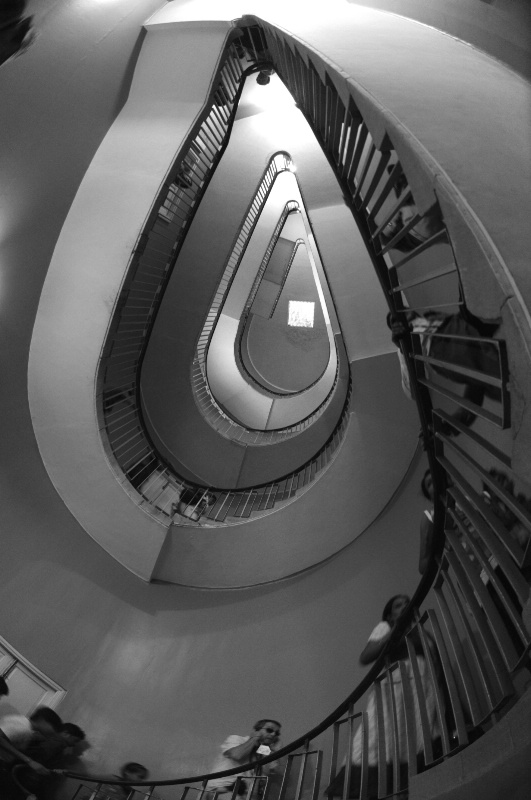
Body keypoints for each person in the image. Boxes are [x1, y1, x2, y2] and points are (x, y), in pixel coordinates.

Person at [327, 596, 439, 798]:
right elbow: (366, 655)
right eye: (398, 605)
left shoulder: (421, 629)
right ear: (390, 614)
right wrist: (394, 632)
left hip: (423, 689)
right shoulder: (385, 627)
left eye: (407, 601)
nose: (404, 605)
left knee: (417, 736)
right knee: (381, 737)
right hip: (394, 692)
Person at [207, 720, 282, 796]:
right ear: (257, 730)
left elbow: (273, 770)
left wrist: (275, 749)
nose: (273, 734)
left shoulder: (263, 749)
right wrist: (254, 738)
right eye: (269, 730)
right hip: (220, 789)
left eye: (277, 733)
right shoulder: (237, 739)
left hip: (245, 793)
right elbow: (236, 755)